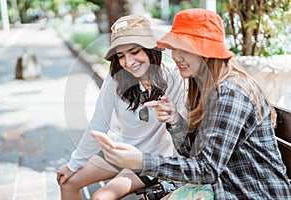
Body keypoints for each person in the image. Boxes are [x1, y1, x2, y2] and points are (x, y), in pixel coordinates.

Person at [100, 8, 291, 199]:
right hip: (225, 187)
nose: (176, 56)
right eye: (175, 48)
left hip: (253, 193)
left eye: (185, 49)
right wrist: (175, 121)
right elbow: (193, 155)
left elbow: (206, 170)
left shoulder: (231, 92)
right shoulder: (203, 86)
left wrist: (142, 161)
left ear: (207, 52)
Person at [56, 15, 184, 200]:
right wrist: (72, 165)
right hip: (122, 152)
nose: (129, 62)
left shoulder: (176, 78)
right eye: (121, 56)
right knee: (67, 181)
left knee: (101, 197)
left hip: (153, 160)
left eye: (134, 51)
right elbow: (98, 125)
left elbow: (185, 131)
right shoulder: (116, 78)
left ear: (151, 49)